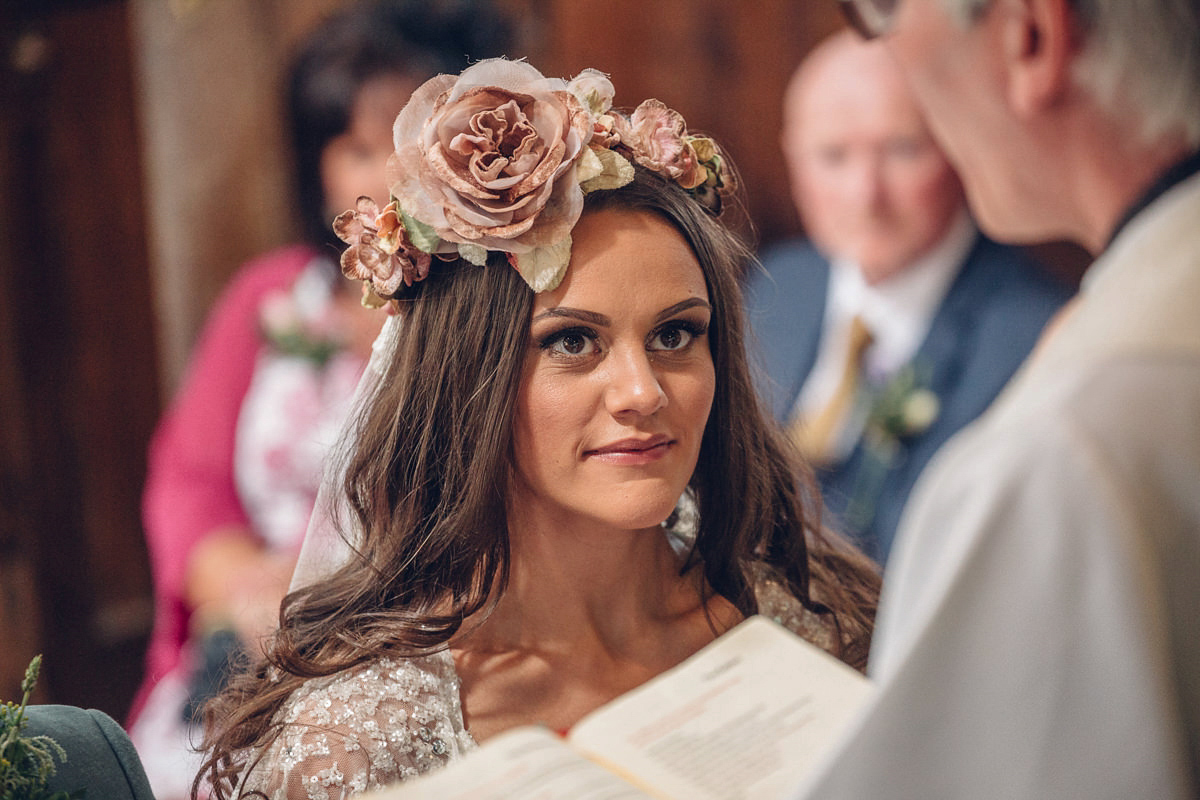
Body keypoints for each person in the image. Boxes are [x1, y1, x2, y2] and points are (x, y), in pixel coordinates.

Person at [191, 58, 881, 799]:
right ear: (467, 383)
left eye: (677, 335)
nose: (643, 392)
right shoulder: (357, 743)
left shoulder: (813, 626)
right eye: (573, 342)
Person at [791, 0, 1200, 797]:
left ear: (1030, 37)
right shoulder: (777, 287)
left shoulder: (1066, 448)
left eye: (884, 15)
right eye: (832, 154)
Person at [127, 3, 510, 798]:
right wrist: (245, 589)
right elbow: (188, 480)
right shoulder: (269, 298)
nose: (390, 177)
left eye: (413, 147)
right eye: (361, 150)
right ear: (319, 167)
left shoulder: (482, 311)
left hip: (409, 632)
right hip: (250, 630)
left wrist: (339, 607)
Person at [746, 29, 1069, 565]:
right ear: (793, 162)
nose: (866, 195)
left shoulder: (1033, 335)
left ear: (958, 147)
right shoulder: (778, 283)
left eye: (902, 149)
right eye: (832, 156)